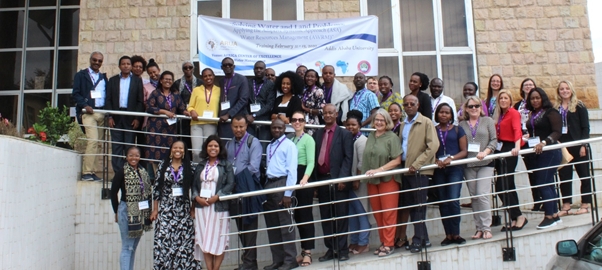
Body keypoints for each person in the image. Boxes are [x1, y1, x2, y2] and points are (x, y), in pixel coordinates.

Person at [397, 94, 439, 253]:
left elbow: (433, 145)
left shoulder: (426, 122)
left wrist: (417, 164)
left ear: (418, 105)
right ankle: (424, 239)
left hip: (419, 171)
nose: (408, 106)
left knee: (419, 207)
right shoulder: (403, 124)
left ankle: (418, 240)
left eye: (412, 104)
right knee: (413, 207)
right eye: (406, 104)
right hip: (407, 171)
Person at [313, 104, 354, 262]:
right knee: (326, 216)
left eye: (331, 112)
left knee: (341, 216)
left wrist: (342, 178)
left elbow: (348, 158)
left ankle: (342, 249)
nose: (328, 115)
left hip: (338, 181)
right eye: (325, 113)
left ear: (336, 114)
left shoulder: (344, 134)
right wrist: (316, 183)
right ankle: (331, 249)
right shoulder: (317, 134)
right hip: (322, 180)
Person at [150, 141, 199, 269]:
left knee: (183, 243)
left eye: (181, 148)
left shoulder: (190, 166)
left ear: (184, 151)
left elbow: (195, 190)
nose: (178, 150)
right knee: (164, 242)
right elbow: (156, 189)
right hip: (166, 209)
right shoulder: (163, 165)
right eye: (175, 147)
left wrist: (193, 209)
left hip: (183, 211)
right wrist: (155, 210)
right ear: (171, 150)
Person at [225, 115, 264, 270]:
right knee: (240, 224)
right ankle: (249, 262)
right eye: (235, 126)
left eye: (241, 126)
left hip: (248, 187)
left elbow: (254, 167)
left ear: (246, 126)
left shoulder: (253, 142)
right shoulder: (229, 144)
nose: (238, 129)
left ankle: (249, 263)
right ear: (231, 127)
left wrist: (236, 178)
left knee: (250, 225)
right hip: (234, 188)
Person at [363, 109, 402, 257]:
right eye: (377, 120)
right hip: (372, 180)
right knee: (378, 214)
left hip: (388, 179)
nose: (379, 122)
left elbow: (397, 160)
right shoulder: (371, 136)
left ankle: (389, 243)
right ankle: (383, 241)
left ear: (387, 122)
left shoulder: (392, 137)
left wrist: (380, 169)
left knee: (388, 213)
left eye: (382, 120)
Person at [192, 135, 234, 270]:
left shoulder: (226, 164)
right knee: (204, 238)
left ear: (220, 148)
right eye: (210, 145)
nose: (213, 148)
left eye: (216, 146)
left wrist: (217, 197)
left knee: (219, 238)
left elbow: (230, 184)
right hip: (202, 207)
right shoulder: (200, 165)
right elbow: (194, 185)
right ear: (206, 148)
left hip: (218, 206)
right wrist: (197, 198)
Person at [458, 96, 496, 240]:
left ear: (481, 107)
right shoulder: (462, 124)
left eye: (477, 106)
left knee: (482, 194)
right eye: (471, 106)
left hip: (485, 162)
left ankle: (487, 228)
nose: (474, 109)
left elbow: (493, 139)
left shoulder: (488, 121)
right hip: (469, 164)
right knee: (474, 197)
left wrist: (485, 152)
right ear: (466, 109)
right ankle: (479, 228)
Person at [263, 119, 299, 270]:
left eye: (279, 127)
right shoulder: (270, 145)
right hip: (269, 184)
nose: (276, 130)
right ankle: (278, 260)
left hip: (282, 184)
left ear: (285, 128)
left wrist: (288, 193)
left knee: (285, 224)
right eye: (274, 128)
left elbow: (292, 170)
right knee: (272, 225)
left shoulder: (289, 145)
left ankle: (290, 260)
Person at [524, 87, 562, 229]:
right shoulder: (532, 114)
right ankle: (554, 215)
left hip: (549, 151)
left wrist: (544, 142)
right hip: (536, 153)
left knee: (543, 182)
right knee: (548, 183)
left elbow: (557, 132)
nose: (535, 101)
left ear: (543, 98)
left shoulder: (551, 112)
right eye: (532, 98)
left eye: (537, 98)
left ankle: (548, 216)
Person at [110, 146, 152, 270]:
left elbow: (148, 192)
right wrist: (116, 211)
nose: (134, 158)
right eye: (131, 155)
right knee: (127, 246)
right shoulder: (122, 171)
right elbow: (113, 193)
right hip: (126, 210)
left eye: (136, 155)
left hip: (140, 213)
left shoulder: (143, 171)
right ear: (126, 157)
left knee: (133, 247)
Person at [432, 103, 468, 245]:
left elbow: (464, 151)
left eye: (447, 113)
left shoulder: (458, 130)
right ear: (437, 114)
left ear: (451, 115)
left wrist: (451, 158)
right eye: (441, 112)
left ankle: (456, 234)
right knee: (443, 201)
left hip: (454, 168)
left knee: (453, 199)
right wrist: (435, 160)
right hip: (439, 170)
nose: (444, 115)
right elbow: (430, 149)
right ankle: (448, 235)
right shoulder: (433, 130)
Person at [492, 90, 528, 231]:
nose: (503, 100)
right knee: (503, 186)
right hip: (499, 148)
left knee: (505, 183)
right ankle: (514, 217)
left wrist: (517, 147)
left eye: (506, 98)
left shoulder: (513, 113)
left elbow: (516, 130)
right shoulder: (498, 114)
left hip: (510, 147)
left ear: (510, 100)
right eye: (501, 98)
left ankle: (519, 216)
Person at [555, 80, 592, 216]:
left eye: (567, 88)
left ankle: (585, 204)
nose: (564, 91)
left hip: (578, 145)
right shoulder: (556, 107)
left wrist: (583, 144)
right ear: (558, 92)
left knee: (584, 175)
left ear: (571, 90)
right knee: (564, 176)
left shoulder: (579, 106)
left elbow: (585, 127)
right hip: (564, 146)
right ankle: (566, 205)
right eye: (561, 89)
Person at [72, 51, 108, 181]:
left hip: (101, 113)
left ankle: (92, 171)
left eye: (99, 61)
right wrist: (84, 105)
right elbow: (75, 93)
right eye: (94, 60)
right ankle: (86, 172)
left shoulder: (103, 78)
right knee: (92, 140)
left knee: (98, 143)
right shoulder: (81, 75)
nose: (97, 63)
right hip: (88, 113)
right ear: (90, 60)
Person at [105, 55, 144, 173]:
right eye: (123, 64)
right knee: (116, 146)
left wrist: (137, 118)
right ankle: (118, 174)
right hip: (116, 117)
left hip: (130, 117)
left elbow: (140, 101)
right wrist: (110, 116)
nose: (126, 66)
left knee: (129, 146)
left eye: (128, 64)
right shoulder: (113, 80)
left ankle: (129, 173)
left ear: (131, 66)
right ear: (119, 66)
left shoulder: (137, 81)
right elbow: (108, 100)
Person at [289, 111, 316, 267]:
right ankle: (302, 250)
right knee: (298, 216)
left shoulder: (309, 139)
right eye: (294, 120)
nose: (297, 122)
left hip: (303, 177)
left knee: (305, 215)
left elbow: (311, 162)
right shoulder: (291, 139)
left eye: (300, 120)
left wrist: (305, 178)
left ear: (304, 122)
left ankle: (308, 252)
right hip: (293, 178)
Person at [146, 71, 189, 162]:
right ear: (161, 81)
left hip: (170, 129)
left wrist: (186, 112)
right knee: (155, 153)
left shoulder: (176, 94)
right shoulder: (155, 93)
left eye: (170, 79)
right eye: (166, 79)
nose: (168, 81)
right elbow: (149, 108)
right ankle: (156, 175)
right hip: (156, 128)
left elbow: (181, 107)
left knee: (169, 152)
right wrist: (165, 112)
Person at [345, 110, 371, 255]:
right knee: (352, 214)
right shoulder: (349, 139)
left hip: (359, 184)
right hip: (349, 182)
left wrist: (357, 180)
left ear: (359, 126)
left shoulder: (362, 141)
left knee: (361, 212)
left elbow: (362, 163)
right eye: (348, 125)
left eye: (353, 125)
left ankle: (363, 242)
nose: (350, 127)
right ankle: (354, 241)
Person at [513, 78, 541, 210]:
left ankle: (546, 200)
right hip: (523, 141)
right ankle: (537, 201)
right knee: (531, 172)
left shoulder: (538, 103)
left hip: (536, 139)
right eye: (526, 85)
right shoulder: (517, 105)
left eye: (531, 84)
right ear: (522, 88)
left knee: (540, 170)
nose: (528, 87)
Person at [188, 68, 220, 162]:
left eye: (210, 75)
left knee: (209, 150)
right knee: (196, 151)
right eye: (205, 76)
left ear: (213, 76)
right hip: (196, 123)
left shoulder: (219, 90)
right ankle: (197, 171)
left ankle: (207, 172)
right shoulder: (196, 90)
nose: (208, 78)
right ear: (202, 78)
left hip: (211, 124)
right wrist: (192, 111)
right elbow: (190, 106)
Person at [173, 61, 202, 156]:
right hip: (183, 115)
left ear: (194, 69)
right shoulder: (177, 83)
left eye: (190, 67)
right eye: (185, 68)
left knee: (195, 139)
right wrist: (183, 110)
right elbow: (175, 98)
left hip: (195, 114)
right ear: (183, 70)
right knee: (184, 138)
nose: (188, 69)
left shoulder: (200, 83)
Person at [218, 57, 249, 138]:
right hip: (222, 120)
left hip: (236, 120)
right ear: (222, 67)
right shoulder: (221, 81)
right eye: (225, 65)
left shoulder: (242, 79)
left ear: (234, 66)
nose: (227, 67)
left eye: (230, 65)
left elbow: (243, 100)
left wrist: (228, 115)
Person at [247, 61, 275, 146]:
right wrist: (247, 115)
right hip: (249, 122)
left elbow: (270, 104)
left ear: (265, 70)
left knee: (263, 147)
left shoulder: (270, 84)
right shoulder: (248, 82)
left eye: (261, 68)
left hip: (264, 121)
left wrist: (255, 115)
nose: (258, 70)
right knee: (250, 146)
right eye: (256, 68)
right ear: (253, 70)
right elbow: (244, 100)